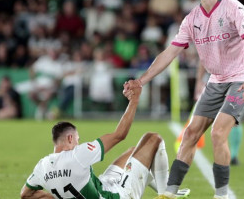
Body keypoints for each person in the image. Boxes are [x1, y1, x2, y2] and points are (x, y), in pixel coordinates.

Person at [124, 0, 244, 199]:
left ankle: (221, 195)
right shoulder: (192, 18)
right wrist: (142, 80)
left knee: (218, 133)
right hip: (216, 80)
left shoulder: (233, 8)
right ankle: (169, 193)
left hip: (240, 78)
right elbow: (169, 53)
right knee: (190, 134)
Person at [20, 80, 190, 199]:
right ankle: (167, 195)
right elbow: (119, 135)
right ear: (70, 138)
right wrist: (134, 100)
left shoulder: (41, 167)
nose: (78, 143)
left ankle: (168, 190)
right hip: (117, 196)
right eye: (77, 140)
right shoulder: (77, 155)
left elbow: (25, 195)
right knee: (153, 139)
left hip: (101, 185)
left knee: (133, 152)